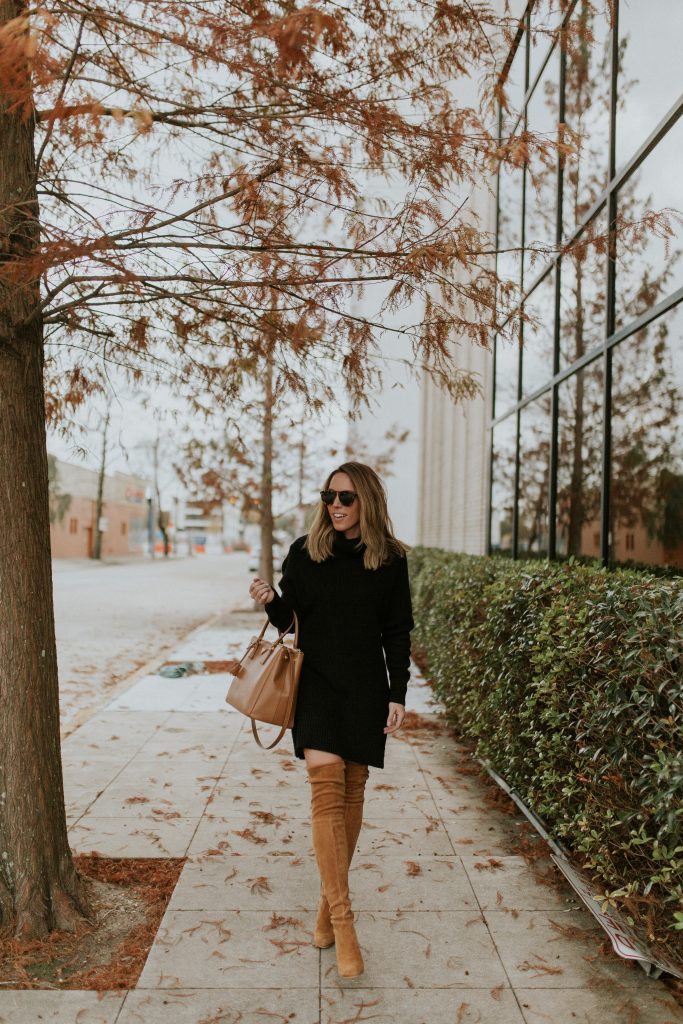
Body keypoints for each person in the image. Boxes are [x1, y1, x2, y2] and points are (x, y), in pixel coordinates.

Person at [248, 461, 414, 979]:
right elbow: (289, 619)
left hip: (365, 689)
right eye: (328, 497)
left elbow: (397, 633)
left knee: (352, 796)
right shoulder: (304, 551)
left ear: (366, 501)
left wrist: (397, 694)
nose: (335, 506)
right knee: (326, 793)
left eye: (345, 497)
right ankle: (344, 923)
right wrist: (272, 599)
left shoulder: (390, 561)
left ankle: (324, 905)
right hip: (316, 684)